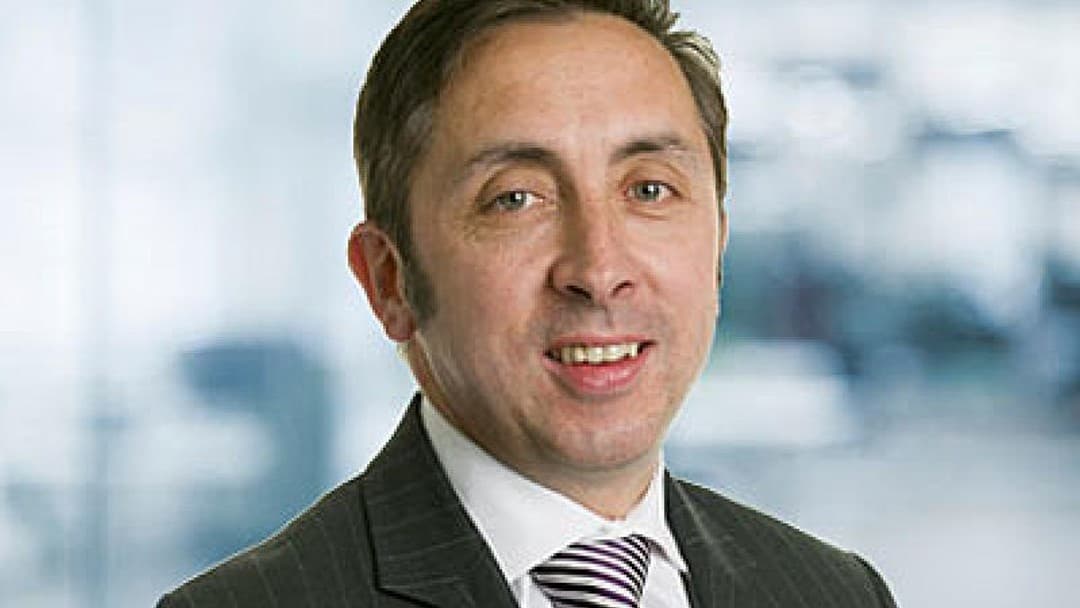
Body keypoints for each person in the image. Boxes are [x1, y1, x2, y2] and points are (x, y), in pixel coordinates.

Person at [157, 1, 897, 606]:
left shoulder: (834, 593)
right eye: (515, 198)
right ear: (389, 280)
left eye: (649, 189)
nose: (599, 270)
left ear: (718, 246)